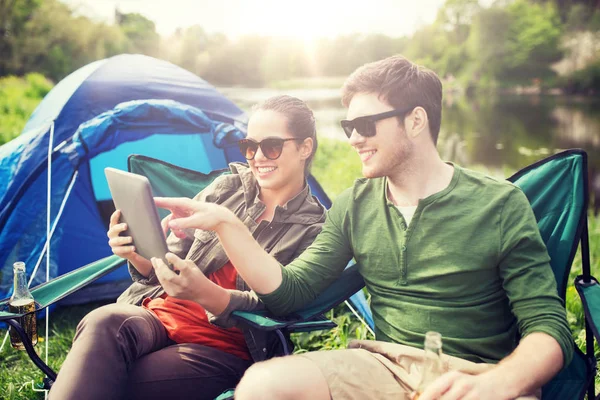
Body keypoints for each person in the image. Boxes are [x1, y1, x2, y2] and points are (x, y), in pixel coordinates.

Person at [154, 55, 573, 400]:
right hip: (383, 365)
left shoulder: (498, 204)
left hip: (480, 375)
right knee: (263, 385)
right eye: (348, 127)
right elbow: (289, 291)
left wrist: (499, 383)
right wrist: (228, 224)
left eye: (366, 126)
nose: (353, 139)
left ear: (415, 121)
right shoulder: (356, 203)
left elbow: (548, 327)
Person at [48, 95, 326, 400]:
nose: (258, 157)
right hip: (158, 315)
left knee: (117, 375)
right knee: (102, 321)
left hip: (222, 345)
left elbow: (283, 306)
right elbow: (167, 263)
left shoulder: (313, 230)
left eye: (271, 145)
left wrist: (205, 293)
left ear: (305, 147)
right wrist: (137, 254)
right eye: (249, 146)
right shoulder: (227, 188)